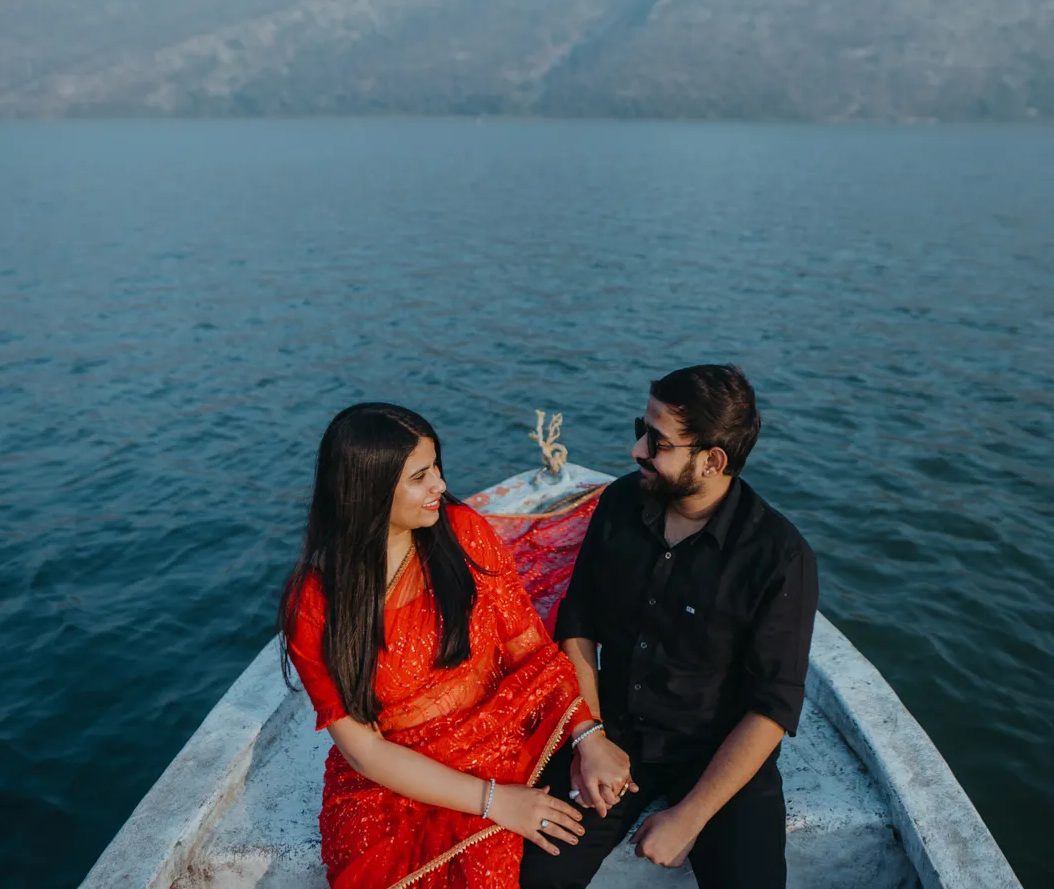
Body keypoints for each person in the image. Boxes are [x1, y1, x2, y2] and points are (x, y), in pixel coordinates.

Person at [279, 403, 637, 889]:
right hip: (399, 781)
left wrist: (587, 736)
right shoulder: (315, 603)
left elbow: (529, 648)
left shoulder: (462, 532)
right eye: (420, 477)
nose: (440, 485)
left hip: (507, 730)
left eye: (436, 468)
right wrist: (496, 801)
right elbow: (363, 750)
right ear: (368, 490)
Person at [520, 365, 819, 889]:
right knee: (532, 873)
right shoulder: (619, 503)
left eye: (657, 442)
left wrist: (690, 816)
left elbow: (771, 707)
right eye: (642, 428)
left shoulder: (779, 557)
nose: (637, 450)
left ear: (712, 461)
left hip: (715, 754)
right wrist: (589, 736)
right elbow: (579, 622)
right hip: (611, 732)